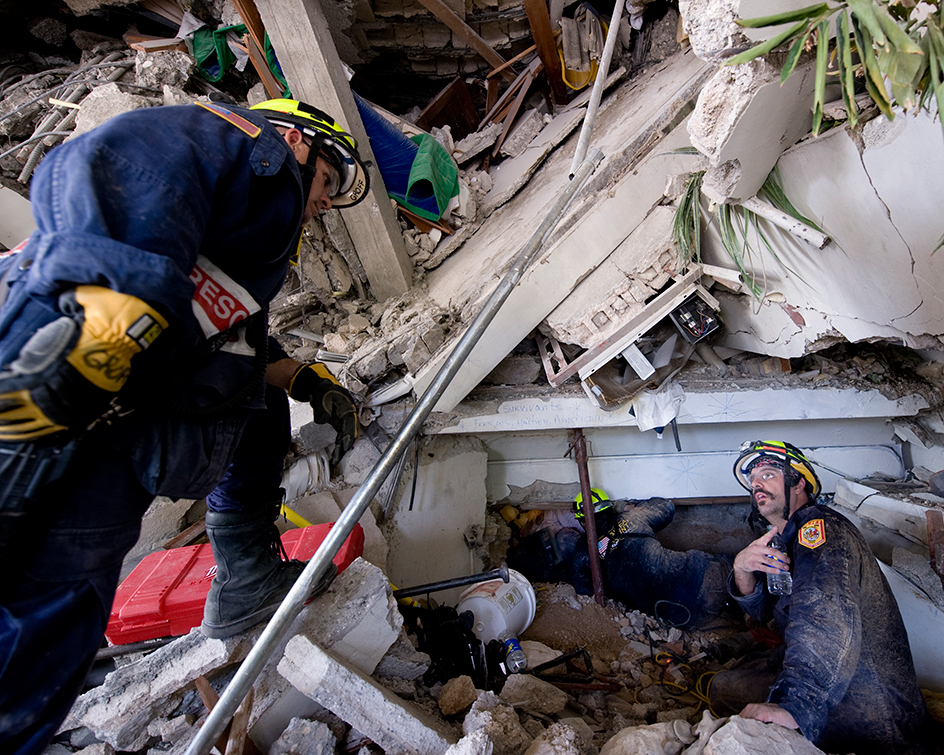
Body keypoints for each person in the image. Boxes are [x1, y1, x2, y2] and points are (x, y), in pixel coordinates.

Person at [0, 97, 369, 754]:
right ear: (295, 139)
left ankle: (247, 575)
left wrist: (305, 378)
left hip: (116, 413)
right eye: (328, 181)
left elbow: (235, 341)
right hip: (54, 379)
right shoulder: (244, 147)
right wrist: (102, 321)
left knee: (54, 616)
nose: (325, 203)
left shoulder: (240, 244)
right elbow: (118, 166)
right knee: (34, 618)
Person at [710, 440, 929, 755]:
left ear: (798, 483)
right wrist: (742, 567)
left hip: (876, 714)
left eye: (769, 473)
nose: (757, 483)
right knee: (739, 673)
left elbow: (824, 616)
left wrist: (796, 704)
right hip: (847, 689)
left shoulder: (820, 531)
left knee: (723, 688)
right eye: (753, 479)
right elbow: (762, 614)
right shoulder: (784, 541)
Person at [506, 490, 734, 628]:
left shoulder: (583, 557)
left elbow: (587, 595)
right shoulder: (631, 519)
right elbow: (665, 506)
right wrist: (628, 508)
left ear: (582, 521)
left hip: (685, 617)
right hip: (708, 575)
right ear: (608, 508)